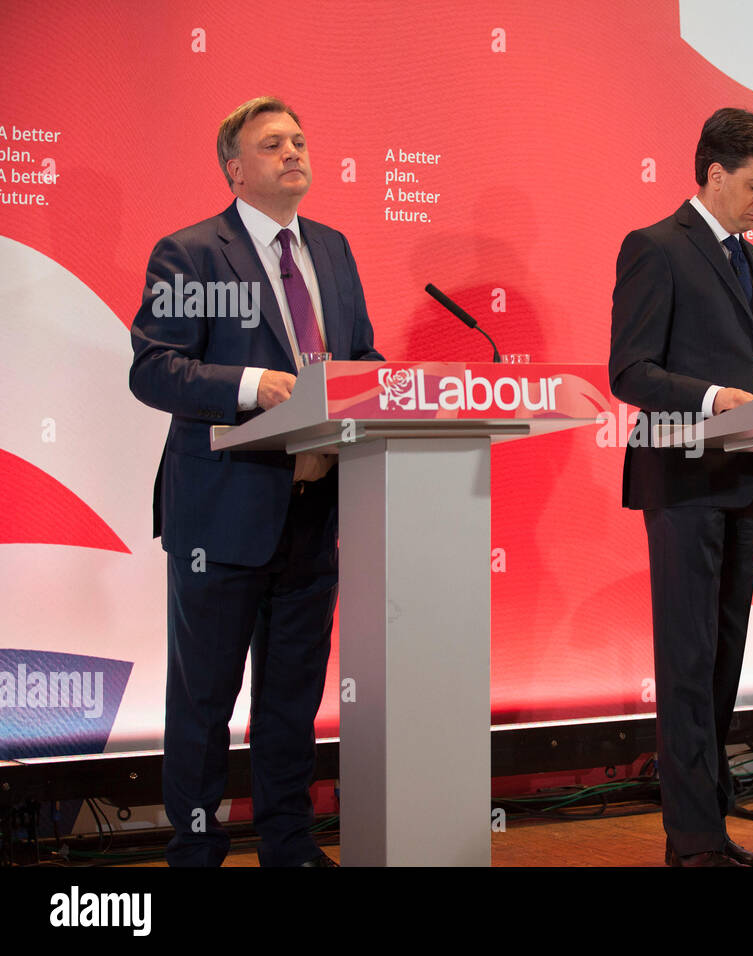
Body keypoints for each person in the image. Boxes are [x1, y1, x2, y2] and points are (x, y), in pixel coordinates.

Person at [129, 96, 383, 866]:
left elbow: (360, 360)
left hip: (314, 510)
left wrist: (382, 388)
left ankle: (290, 847)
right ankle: (197, 851)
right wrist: (253, 385)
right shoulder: (191, 253)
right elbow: (155, 368)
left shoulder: (333, 250)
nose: (293, 152)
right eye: (273, 144)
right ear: (234, 169)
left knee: (291, 704)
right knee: (204, 702)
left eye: (301, 140)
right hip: (224, 516)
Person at [609, 107, 753, 866]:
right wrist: (717, 398)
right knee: (688, 661)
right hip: (684, 479)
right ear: (714, 173)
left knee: (722, 661)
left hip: (744, 478)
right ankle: (692, 842)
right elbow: (630, 370)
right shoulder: (655, 248)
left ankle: (709, 826)